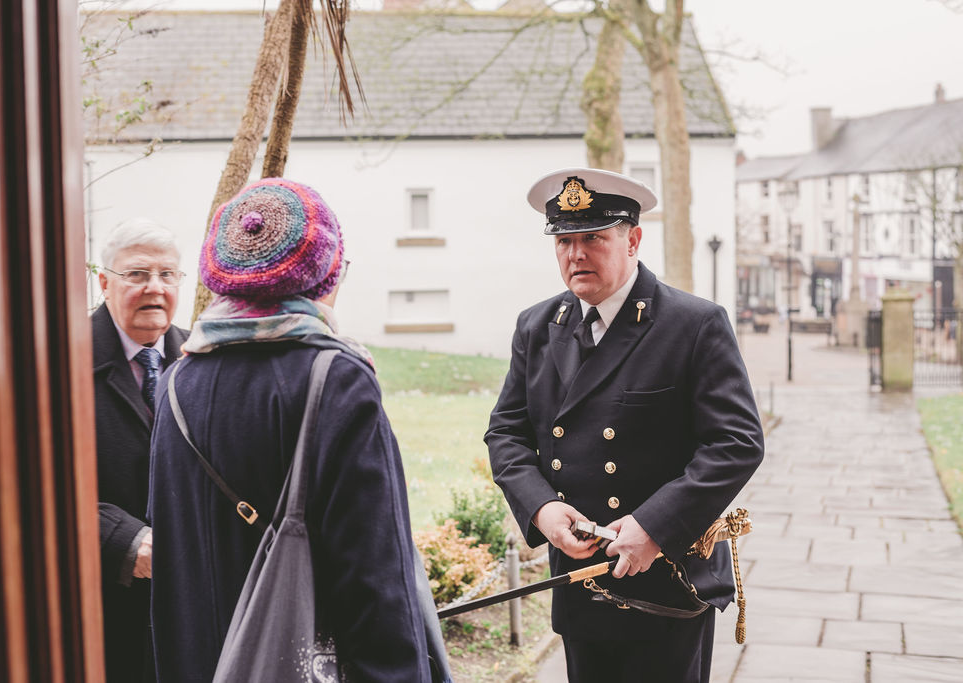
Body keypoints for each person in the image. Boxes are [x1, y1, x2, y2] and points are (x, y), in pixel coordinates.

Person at [148, 178, 446, 682]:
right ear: (325, 276)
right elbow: (375, 575)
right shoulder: (337, 380)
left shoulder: (177, 381)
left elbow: (172, 562)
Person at [486, 168, 764, 682]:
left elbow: (737, 443)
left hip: (666, 580)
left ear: (632, 239)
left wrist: (653, 526)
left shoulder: (694, 324)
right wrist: (543, 510)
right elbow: (506, 433)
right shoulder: (538, 326)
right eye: (565, 240)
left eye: (593, 237)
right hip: (579, 575)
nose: (576, 254)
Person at [92, 218, 188, 683]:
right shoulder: (57, 361)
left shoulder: (203, 360)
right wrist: (122, 539)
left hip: (190, 605)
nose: (155, 287)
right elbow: (25, 488)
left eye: (167, 275)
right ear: (104, 282)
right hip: (99, 607)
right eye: (138, 274)